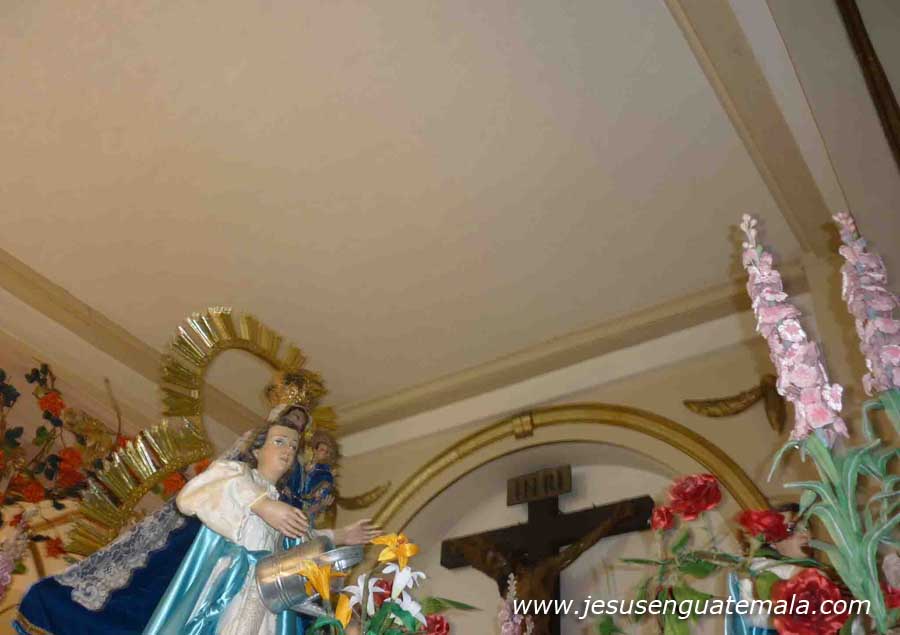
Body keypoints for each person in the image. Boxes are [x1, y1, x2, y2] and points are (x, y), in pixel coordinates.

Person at [15, 403, 377, 635]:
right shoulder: (235, 474)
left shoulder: (283, 502)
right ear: (256, 448)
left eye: (293, 447)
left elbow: (300, 539)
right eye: (280, 441)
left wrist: (341, 536)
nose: (287, 451)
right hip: (225, 584)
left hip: (263, 596)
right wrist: (261, 505)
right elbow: (194, 496)